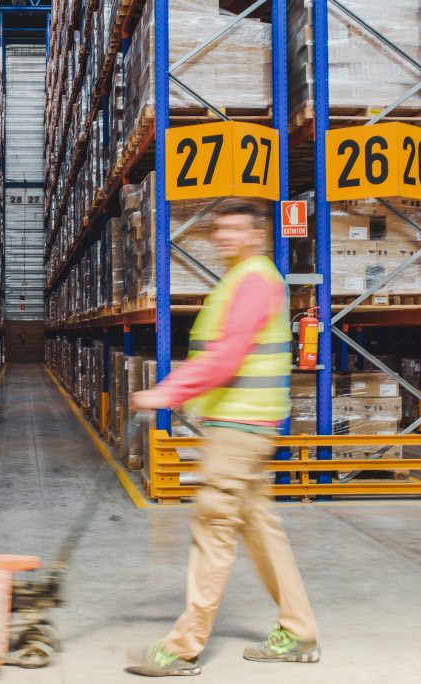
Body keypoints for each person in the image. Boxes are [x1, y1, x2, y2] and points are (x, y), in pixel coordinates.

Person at [126, 202, 319, 677]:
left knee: (212, 530)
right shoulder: (241, 279)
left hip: (240, 430)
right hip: (246, 427)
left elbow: (229, 355)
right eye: (220, 230)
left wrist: (167, 392)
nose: (227, 237)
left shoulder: (253, 280)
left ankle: (182, 646)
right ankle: (299, 631)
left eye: (238, 229)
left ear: (259, 234)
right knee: (261, 532)